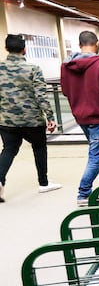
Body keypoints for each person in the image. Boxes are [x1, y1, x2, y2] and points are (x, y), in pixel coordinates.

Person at [60, 30, 99, 206]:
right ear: (96, 44)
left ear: (80, 45)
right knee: (96, 154)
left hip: (80, 116)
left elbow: (65, 90)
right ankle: (83, 193)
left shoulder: (66, 65)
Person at [0, 34, 61, 202]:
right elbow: (41, 95)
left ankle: (0, 179)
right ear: (24, 49)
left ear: (6, 49)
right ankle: (43, 183)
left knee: (9, 149)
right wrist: (50, 116)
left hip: (6, 119)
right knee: (39, 148)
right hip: (32, 119)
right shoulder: (33, 69)